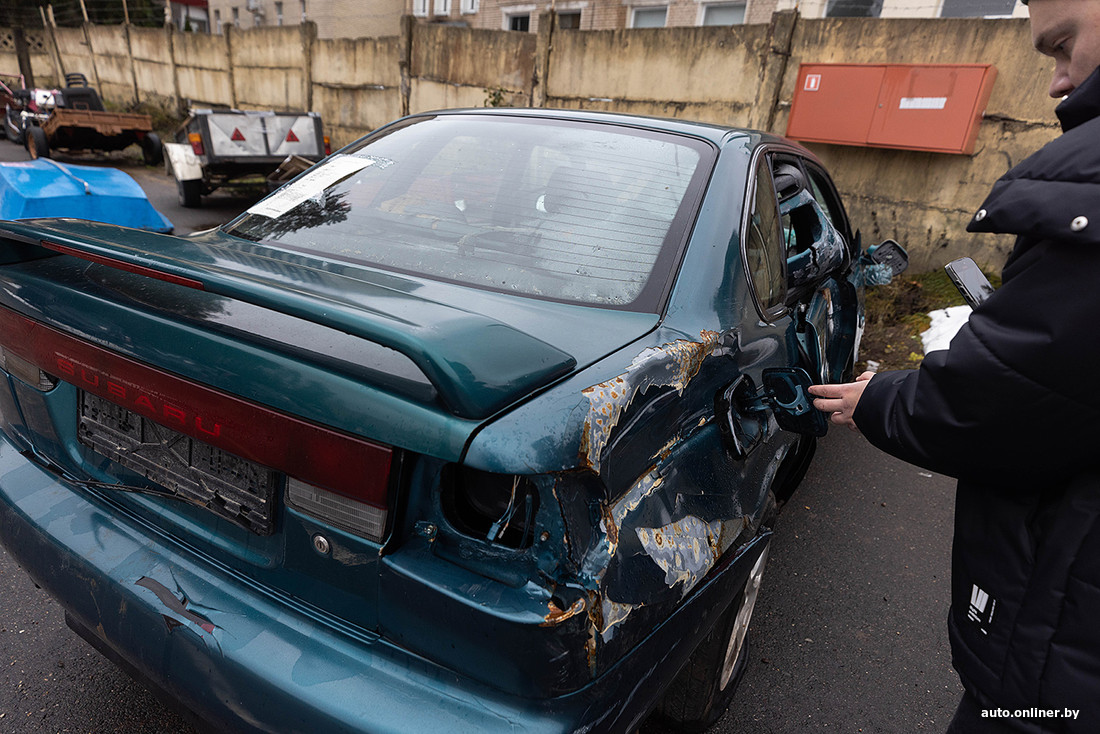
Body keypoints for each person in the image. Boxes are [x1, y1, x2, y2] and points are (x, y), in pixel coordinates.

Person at [809, 1, 1100, 731]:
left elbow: (992, 402)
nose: (1057, 84)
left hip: (1060, 654)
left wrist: (874, 399)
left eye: (1063, 47)